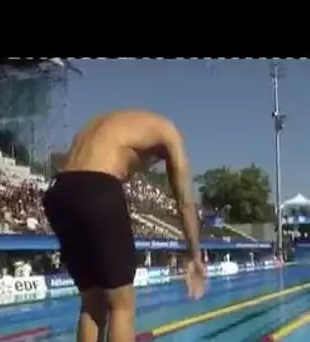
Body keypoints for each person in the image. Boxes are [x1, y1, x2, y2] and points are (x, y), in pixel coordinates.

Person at [42, 110, 206, 342]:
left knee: (92, 302)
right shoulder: (170, 133)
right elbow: (185, 202)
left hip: (58, 192)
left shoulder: (105, 123)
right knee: (122, 305)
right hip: (97, 189)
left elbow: (82, 170)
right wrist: (195, 255)